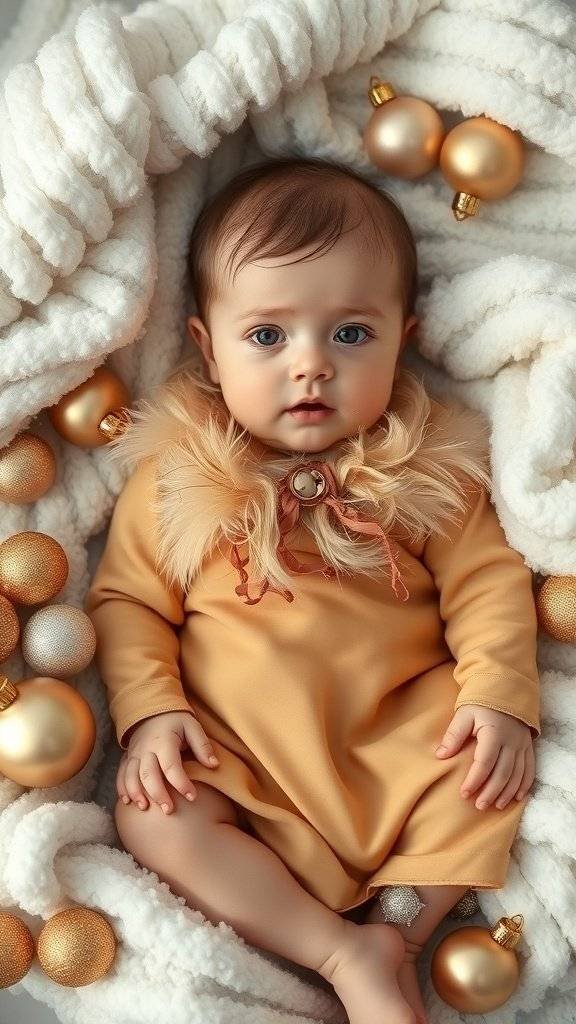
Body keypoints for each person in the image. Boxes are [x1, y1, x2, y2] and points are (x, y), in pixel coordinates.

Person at [85, 157, 540, 1024]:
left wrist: (500, 694)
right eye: (268, 336)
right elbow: (129, 604)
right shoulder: (178, 477)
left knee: (485, 776)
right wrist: (151, 712)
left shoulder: (428, 469)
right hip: (244, 764)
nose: (311, 367)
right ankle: (336, 947)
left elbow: (489, 582)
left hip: (400, 741)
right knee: (158, 818)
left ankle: (396, 931)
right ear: (207, 348)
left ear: (404, 338)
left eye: (351, 335)